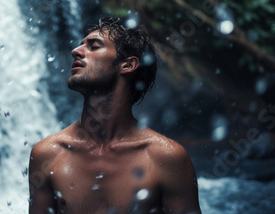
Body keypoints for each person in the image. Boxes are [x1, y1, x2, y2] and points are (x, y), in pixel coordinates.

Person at [28, 17, 201, 214]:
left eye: (94, 46)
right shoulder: (47, 154)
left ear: (127, 65)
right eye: (80, 45)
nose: (75, 51)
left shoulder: (166, 157)